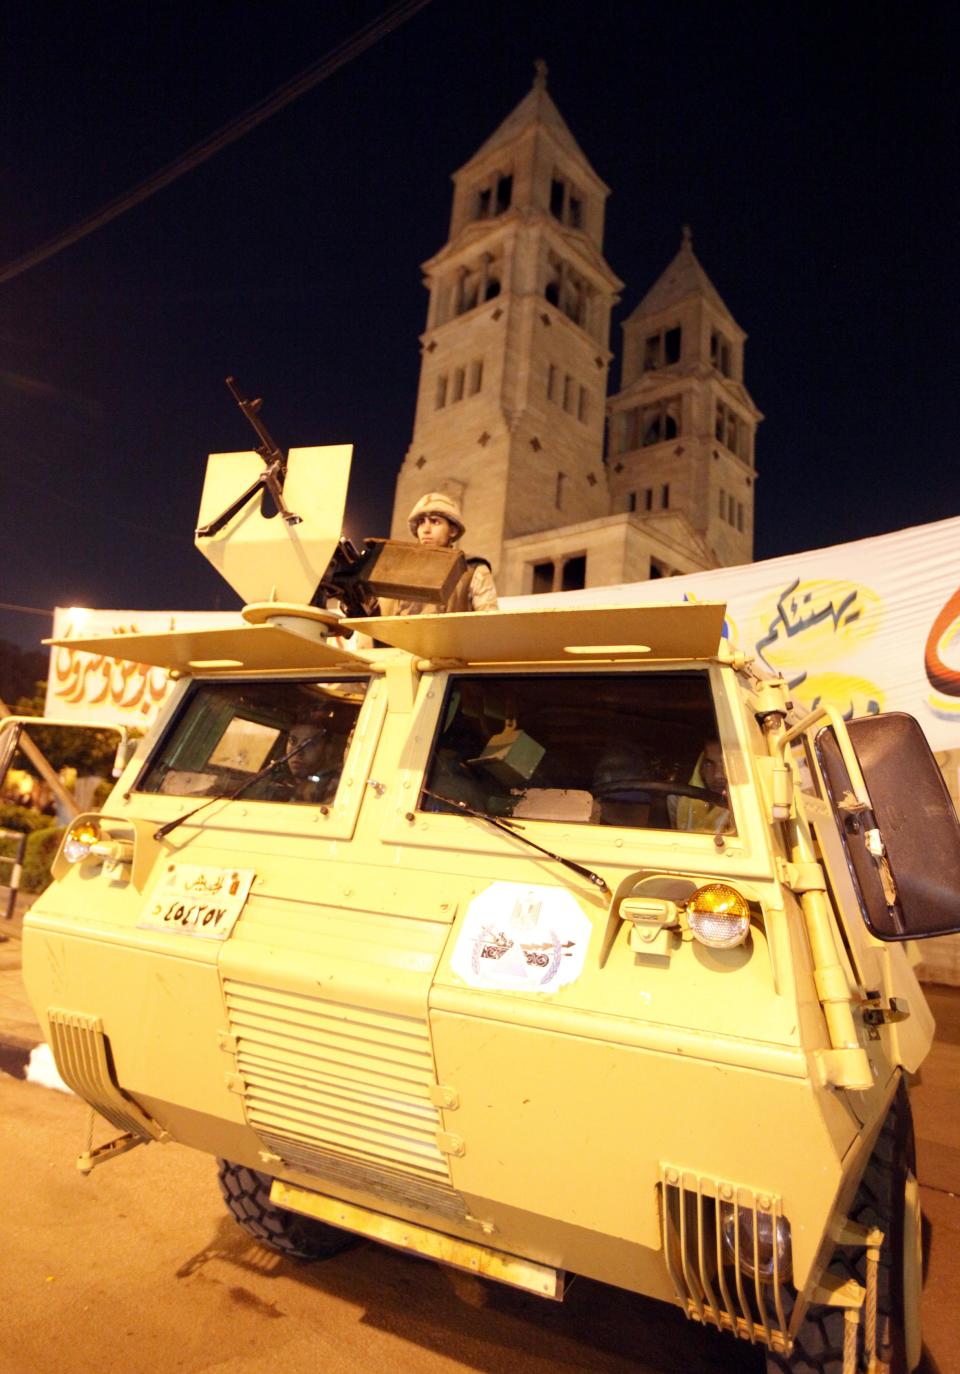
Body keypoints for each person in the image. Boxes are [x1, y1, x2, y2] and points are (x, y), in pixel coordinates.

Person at [380, 491, 498, 616]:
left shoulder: (472, 570)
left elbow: (489, 623)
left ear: (452, 530)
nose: (426, 530)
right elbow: (379, 621)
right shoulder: (400, 571)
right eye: (421, 522)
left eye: (435, 522)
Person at [673, 738, 733, 834]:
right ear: (700, 769)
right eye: (709, 764)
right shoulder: (677, 800)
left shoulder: (747, 810)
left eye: (725, 764)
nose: (717, 775)